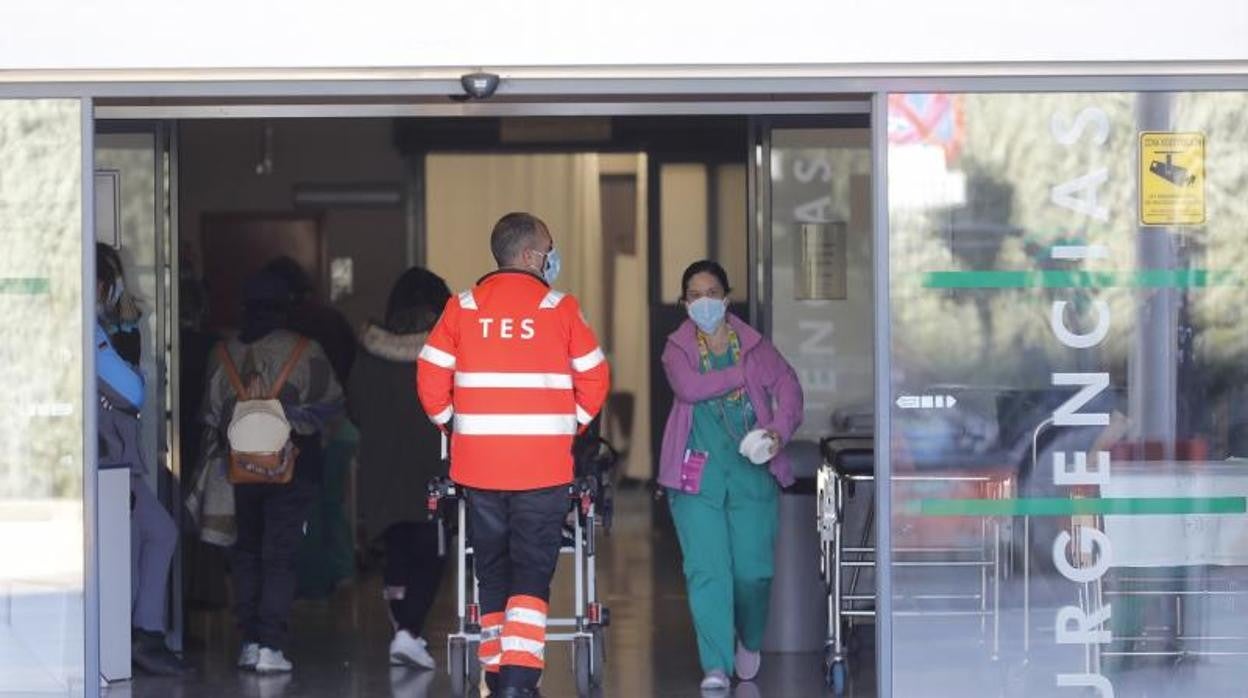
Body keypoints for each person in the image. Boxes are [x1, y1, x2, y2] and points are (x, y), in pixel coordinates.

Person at [417, 212, 610, 698]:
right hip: (542, 469)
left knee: (493, 570)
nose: (552, 258)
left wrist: (454, 426)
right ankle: (517, 685)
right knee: (531, 572)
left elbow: (429, 377)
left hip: (479, 468)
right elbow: (594, 377)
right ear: (529, 255)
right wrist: (569, 426)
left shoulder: (462, 307)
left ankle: (498, 676)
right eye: (549, 249)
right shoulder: (559, 308)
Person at [659, 260, 803, 692]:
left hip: (751, 472)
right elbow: (690, 388)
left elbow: (789, 388)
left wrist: (778, 433)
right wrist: (742, 375)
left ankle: (750, 638)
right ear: (685, 303)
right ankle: (715, 665)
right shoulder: (677, 348)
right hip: (695, 477)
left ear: (727, 297)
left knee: (753, 572)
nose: (704, 302)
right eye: (694, 295)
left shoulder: (757, 346)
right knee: (707, 571)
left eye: (712, 293)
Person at [198, 270, 344, 674]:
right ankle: (271, 645)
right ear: (285, 308)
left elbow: (209, 414)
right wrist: (292, 415)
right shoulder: (305, 350)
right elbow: (332, 404)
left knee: (245, 553)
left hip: (237, 470)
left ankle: (248, 641)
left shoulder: (221, 352)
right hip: (291, 469)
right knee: (280, 556)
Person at [348, 266, 453, 670]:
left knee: (396, 549)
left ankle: (403, 631)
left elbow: (354, 406)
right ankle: (408, 631)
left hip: (381, 467)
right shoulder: (445, 352)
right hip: (433, 468)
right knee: (431, 551)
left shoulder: (369, 351)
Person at [95, 244, 190, 677]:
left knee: (155, 535)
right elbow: (132, 390)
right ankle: (136, 635)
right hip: (109, 459)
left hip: (119, 457)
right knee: (150, 537)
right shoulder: (90, 332)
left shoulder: (103, 328)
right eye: (114, 282)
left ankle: (142, 632)